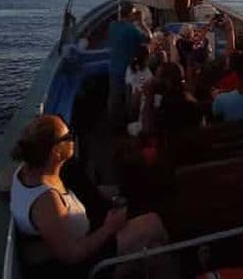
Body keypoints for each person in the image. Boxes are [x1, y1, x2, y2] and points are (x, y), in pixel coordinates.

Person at [9, 115, 168, 277]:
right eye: (67, 137)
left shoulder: (27, 170)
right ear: (55, 152)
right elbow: (71, 255)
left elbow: (3, 182)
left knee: (153, 245)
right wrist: (108, 228)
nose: (72, 138)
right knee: (153, 224)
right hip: (88, 262)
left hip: (89, 235)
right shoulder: (47, 200)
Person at [107, 2, 150, 131]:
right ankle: (129, 125)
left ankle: (113, 125)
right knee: (130, 99)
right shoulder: (132, 29)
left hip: (114, 67)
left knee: (114, 97)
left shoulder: (112, 26)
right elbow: (149, 39)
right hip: (129, 69)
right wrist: (142, 23)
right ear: (131, 14)